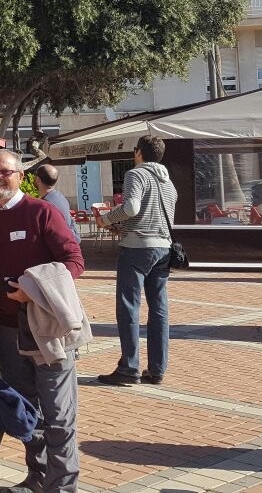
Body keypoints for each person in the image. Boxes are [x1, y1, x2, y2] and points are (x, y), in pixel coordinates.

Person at [0, 149, 85, 493]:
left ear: (21, 176)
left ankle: (62, 486)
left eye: (5, 171)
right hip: (6, 329)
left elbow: (74, 260)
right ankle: (37, 478)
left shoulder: (42, 212)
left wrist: (33, 290)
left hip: (47, 328)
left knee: (59, 413)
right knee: (25, 411)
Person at [96, 135, 177, 387]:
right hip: (164, 248)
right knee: (159, 309)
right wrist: (125, 226)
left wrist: (106, 219)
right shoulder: (168, 182)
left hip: (137, 248)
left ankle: (129, 367)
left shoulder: (136, 174)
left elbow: (131, 207)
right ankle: (157, 369)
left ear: (139, 152)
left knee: (129, 306)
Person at [33, 165, 79, 245]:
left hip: (59, 247)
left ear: (38, 179)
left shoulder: (44, 205)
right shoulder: (61, 197)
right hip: (69, 243)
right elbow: (70, 222)